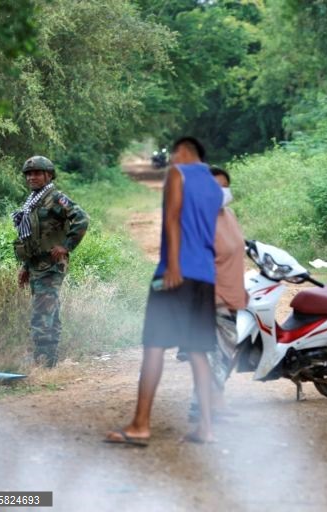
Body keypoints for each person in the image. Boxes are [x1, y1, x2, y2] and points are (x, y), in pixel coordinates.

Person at [106, 137, 222, 446]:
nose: (171, 159)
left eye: (173, 154)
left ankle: (140, 424)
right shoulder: (214, 185)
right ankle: (206, 429)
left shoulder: (178, 173)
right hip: (204, 276)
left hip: (175, 272)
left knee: (154, 346)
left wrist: (172, 266)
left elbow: (172, 218)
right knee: (198, 351)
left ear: (183, 152)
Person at [181, 166, 248, 422]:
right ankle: (205, 408)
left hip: (231, 295)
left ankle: (209, 405)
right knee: (213, 356)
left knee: (223, 356)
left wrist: (241, 289)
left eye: (223, 186)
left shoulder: (228, 214)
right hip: (209, 297)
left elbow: (235, 254)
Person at [12, 156, 89, 368]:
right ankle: (49, 360)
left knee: (41, 314)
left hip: (51, 266)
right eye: (29, 173)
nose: (32, 177)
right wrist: (25, 267)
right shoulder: (33, 201)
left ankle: (43, 362)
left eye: (37, 173)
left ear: (48, 175)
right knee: (49, 313)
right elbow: (31, 238)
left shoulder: (55, 198)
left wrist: (66, 246)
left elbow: (82, 219)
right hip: (37, 266)